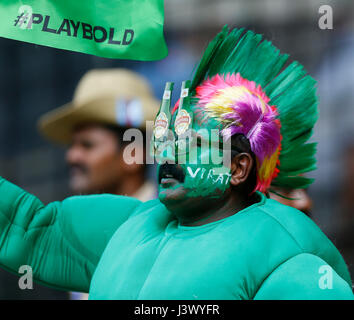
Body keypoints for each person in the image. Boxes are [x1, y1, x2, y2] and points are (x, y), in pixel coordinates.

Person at [0, 26, 352, 300]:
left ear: (237, 168)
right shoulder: (129, 224)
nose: (168, 155)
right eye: (166, 142)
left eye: (190, 145)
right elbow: (25, 229)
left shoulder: (285, 255)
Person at [38, 68, 159, 201]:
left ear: (133, 154)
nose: (71, 156)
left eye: (87, 145)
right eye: (71, 145)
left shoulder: (173, 219)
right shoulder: (77, 220)